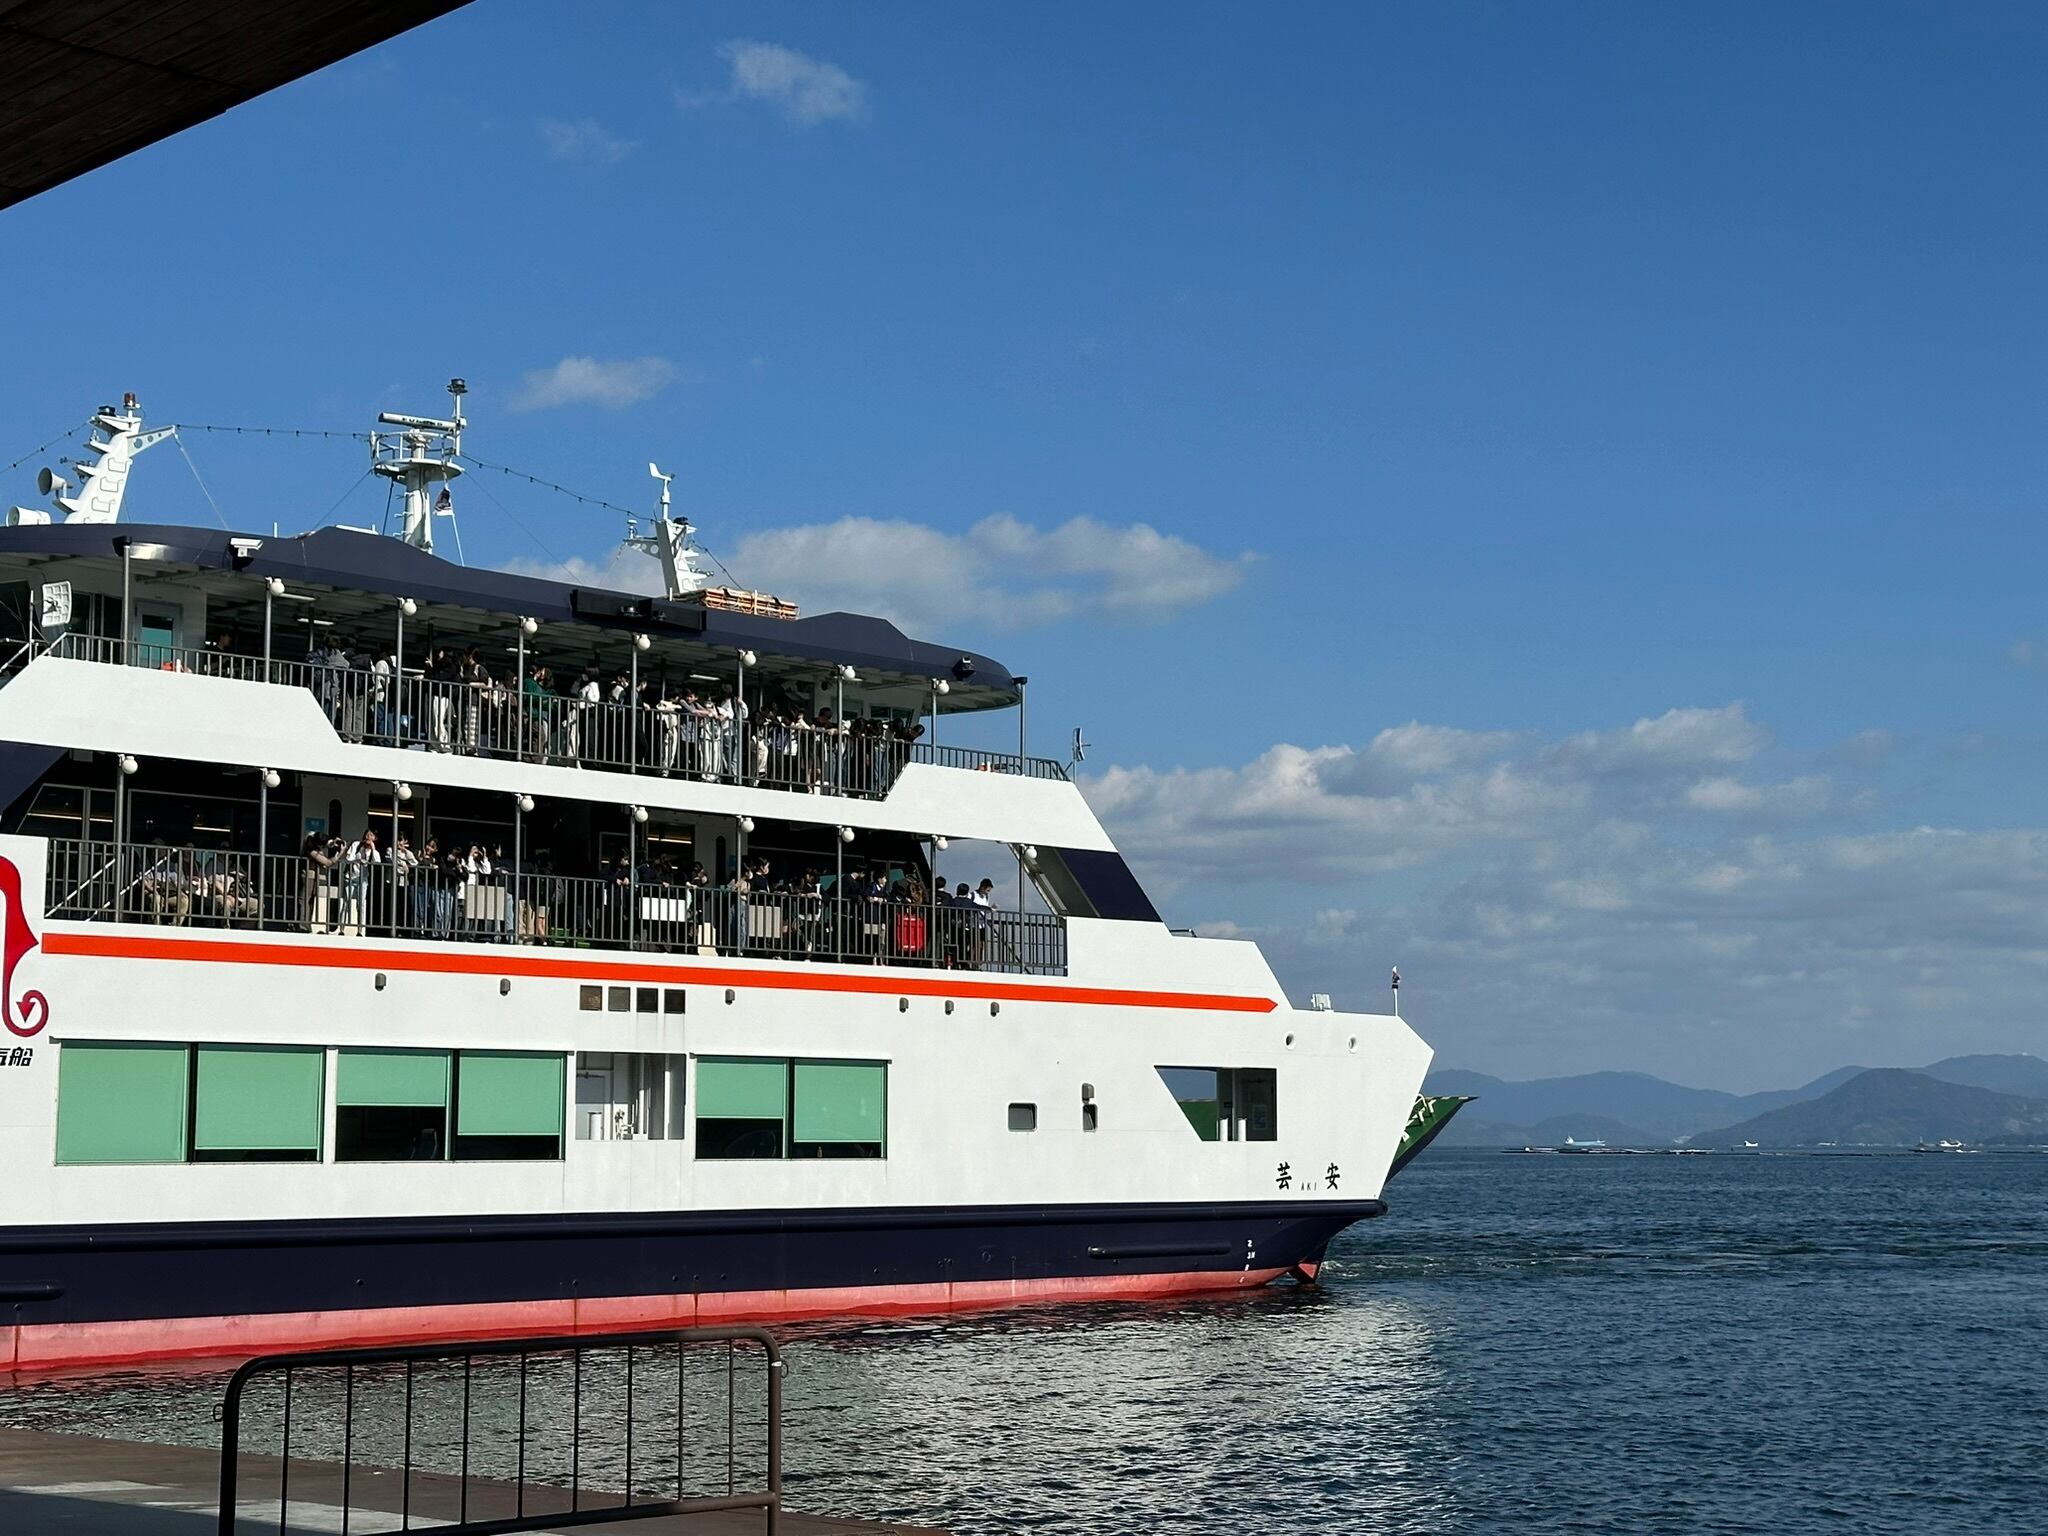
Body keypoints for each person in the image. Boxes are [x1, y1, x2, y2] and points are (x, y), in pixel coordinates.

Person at [302, 832, 340, 932]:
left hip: (314, 877)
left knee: (310, 902)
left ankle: (307, 925)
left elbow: (318, 837)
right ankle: (303, 926)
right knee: (305, 901)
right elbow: (327, 862)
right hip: (308, 876)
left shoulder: (312, 838)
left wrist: (331, 842)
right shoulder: (311, 851)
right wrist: (339, 854)